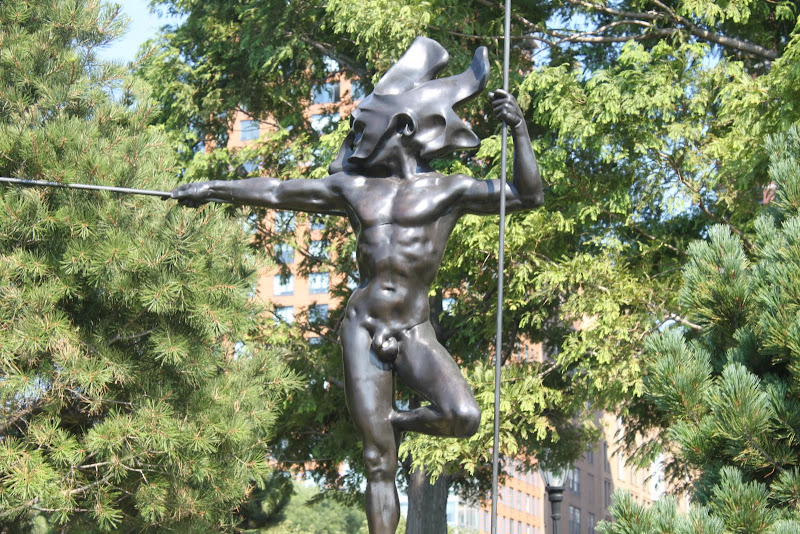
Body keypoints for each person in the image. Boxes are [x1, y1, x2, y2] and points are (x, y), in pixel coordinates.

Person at [172, 36, 543, 534]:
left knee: (462, 416)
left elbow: (526, 196)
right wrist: (213, 189)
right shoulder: (355, 188)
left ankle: (394, 419)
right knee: (377, 462)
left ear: (403, 127)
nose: (356, 136)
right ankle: (383, 444)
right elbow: (277, 191)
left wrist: (518, 129)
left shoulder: (448, 189)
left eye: (365, 127)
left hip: (413, 330)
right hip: (364, 327)